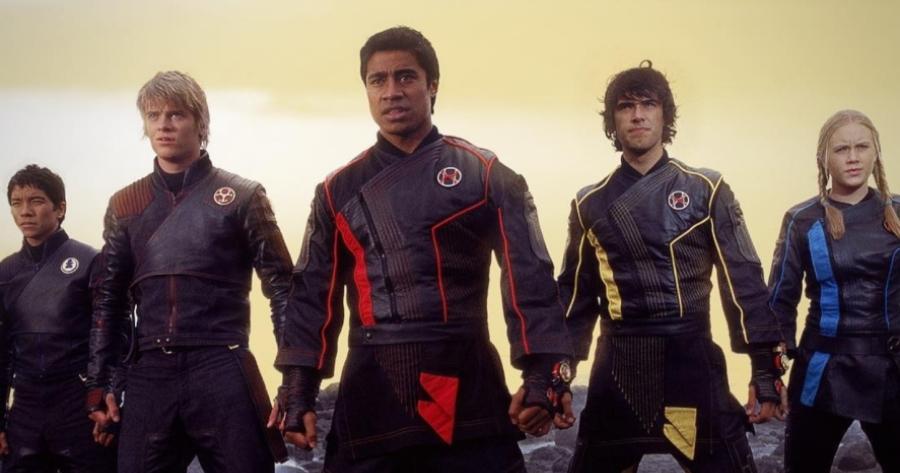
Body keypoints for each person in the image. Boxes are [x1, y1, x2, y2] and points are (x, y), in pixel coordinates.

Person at [272, 26, 574, 472]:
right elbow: (313, 299)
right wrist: (298, 392)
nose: (391, 91)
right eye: (378, 80)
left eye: (406, 77)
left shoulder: (485, 174)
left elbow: (529, 280)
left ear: (432, 85)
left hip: (466, 377)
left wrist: (543, 376)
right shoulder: (337, 190)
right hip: (374, 388)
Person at [558, 61, 787, 472]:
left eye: (648, 104)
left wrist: (765, 371)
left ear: (666, 115)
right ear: (613, 121)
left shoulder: (706, 189)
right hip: (618, 367)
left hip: (690, 360)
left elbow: (744, 284)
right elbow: (576, 301)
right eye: (626, 106)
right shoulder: (589, 203)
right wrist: (556, 378)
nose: (638, 115)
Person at [85, 70, 293, 472]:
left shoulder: (243, 195)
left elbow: (283, 289)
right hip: (149, 370)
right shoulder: (125, 204)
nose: (164, 124)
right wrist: (100, 383)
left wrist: (294, 382)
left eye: (176, 114)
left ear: (201, 122)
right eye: (154, 115)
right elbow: (108, 300)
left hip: (222, 362)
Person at [768, 109, 900, 472]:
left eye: (862, 147)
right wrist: (769, 376)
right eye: (842, 149)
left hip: (892, 372)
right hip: (822, 372)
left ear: (876, 153)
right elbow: (779, 303)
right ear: (824, 158)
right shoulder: (802, 220)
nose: (853, 157)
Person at [0, 165, 117, 472]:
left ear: (60, 208)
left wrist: (109, 399)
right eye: (16, 203)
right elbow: (1, 351)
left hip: (78, 402)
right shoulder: (5, 272)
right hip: (25, 407)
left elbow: (115, 338)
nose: (25, 211)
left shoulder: (91, 261)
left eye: (36, 201)